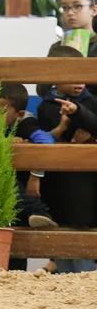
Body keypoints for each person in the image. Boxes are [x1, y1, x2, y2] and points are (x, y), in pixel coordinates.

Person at [36, 45, 97, 273]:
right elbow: (49, 133)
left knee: (82, 234)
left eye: (82, 74)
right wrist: (65, 126)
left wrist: (78, 112)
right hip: (58, 181)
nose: (78, 81)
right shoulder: (48, 106)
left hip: (86, 183)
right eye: (70, 76)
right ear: (54, 78)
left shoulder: (91, 102)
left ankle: (84, 279)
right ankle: (62, 276)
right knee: (61, 233)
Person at [0, 82, 59, 270]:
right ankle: (38, 212)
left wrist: (35, 174)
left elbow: (46, 142)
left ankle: (39, 213)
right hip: (2, 181)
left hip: (21, 183)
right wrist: (7, 142)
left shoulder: (26, 123)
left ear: (19, 114)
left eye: (2, 109)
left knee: (20, 220)